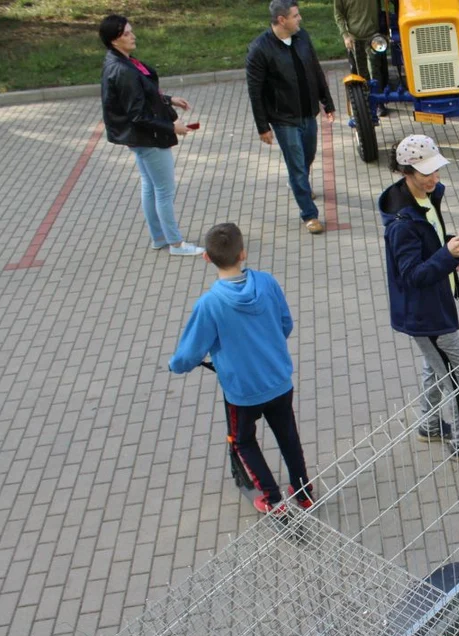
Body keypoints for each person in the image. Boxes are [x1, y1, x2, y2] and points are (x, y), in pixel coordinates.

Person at [168, 223, 315, 514]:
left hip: (241, 392)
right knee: (288, 435)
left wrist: (177, 365)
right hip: (278, 379)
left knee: (243, 441)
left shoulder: (210, 304)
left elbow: (189, 353)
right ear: (243, 253)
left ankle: (272, 498)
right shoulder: (267, 282)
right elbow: (286, 323)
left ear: (206, 258)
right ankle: (302, 491)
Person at [378, 135, 459, 464]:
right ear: (406, 171)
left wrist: (449, 250)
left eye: (436, 169)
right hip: (425, 314)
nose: (434, 178)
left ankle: (430, 425)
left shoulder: (425, 199)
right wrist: (446, 255)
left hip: (435, 304)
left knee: (435, 368)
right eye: (426, 172)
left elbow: (429, 246)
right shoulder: (401, 225)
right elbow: (413, 276)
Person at [98, 14, 203, 257]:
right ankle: (176, 244)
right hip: (147, 138)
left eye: (131, 31)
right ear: (114, 40)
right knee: (164, 191)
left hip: (138, 138)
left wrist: (168, 100)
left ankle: (159, 238)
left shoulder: (123, 62)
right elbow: (138, 115)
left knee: (150, 186)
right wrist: (172, 127)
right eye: (126, 33)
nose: (133, 36)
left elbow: (143, 94)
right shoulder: (122, 70)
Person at [246, 0, 336, 235]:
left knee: (308, 156)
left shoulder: (302, 37)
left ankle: (300, 186)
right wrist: (262, 127)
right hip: (284, 118)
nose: (300, 19)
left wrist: (327, 102)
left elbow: (315, 69)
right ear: (281, 20)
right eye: (296, 16)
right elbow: (255, 92)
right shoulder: (259, 49)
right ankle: (309, 214)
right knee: (296, 165)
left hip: (308, 112)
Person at [334, 0, 389, 110]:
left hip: (373, 35)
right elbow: (338, 14)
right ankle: (366, 101)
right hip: (355, 38)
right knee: (361, 72)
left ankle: (379, 102)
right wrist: (345, 35)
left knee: (374, 69)